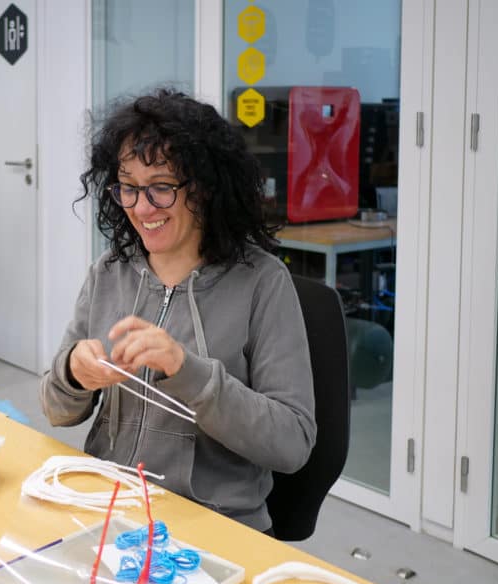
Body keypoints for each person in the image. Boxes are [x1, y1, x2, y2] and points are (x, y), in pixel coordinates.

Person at [40, 89, 316, 534]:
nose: (142, 208)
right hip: (109, 511)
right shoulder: (108, 274)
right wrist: (72, 374)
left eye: (161, 188)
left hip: (208, 529)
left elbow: (292, 443)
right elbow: (56, 409)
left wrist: (187, 370)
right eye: (128, 188)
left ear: (205, 187)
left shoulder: (262, 282)